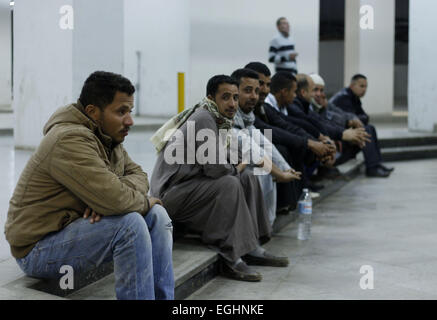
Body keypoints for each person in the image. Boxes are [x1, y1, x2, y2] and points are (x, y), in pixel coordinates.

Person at [4, 71, 174, 300]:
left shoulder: (107, 137)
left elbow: (139, 175)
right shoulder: (69, 139)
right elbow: (115, 199)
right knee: (129, 224)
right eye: (121, 112)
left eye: (130, 112)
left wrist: (106, 197)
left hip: (74, 228)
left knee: (158, 215)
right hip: (38, 248)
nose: (130, 121)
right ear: (93, 112)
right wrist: (113, 199)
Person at [150, 75, 289, 283]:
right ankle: (229, 255)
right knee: (230, 183)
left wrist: (239, 165)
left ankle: (251, 246)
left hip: (191, 187)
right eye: (225, 97)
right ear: (211, 98)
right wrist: (238, 165)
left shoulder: (219, 120)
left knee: (248, 177)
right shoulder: (204, 118)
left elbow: (228, 158)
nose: (232, 103)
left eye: (234, 97)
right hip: (170, 197)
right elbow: (217, 169)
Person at [230, 68, 301, 224]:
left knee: (267, 166)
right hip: (196, 182)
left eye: (256, 90)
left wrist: (285, 167)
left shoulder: (245, 116)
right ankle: (256, 226)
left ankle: (265, 226)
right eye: (248, 91)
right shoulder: (226, 117)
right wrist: (280, 174)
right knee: (259, 170)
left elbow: (264, 144)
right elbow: (254, 152)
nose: (254, 96)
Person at [312, 74, 394, 178]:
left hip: (336, 138)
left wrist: (353, 119)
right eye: (315, 90)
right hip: (332, 142)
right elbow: (327, 123)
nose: (320, 94)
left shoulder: (347, 98)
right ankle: (372, 167)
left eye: (322, 90)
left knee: (368, 129)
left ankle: (376, 164)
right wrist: (348, 124)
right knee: (365, 131)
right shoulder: (343, 97)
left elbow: (345, 114)